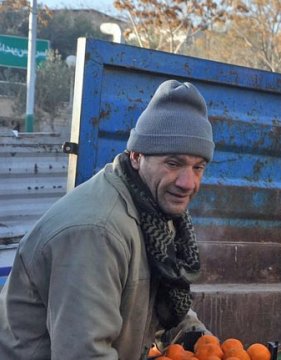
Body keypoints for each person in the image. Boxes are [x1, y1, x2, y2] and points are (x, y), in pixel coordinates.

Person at [0, 80, 214, 359]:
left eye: (198, 167)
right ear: (136, 156)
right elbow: (84, 353)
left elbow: (165, 296)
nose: (188, 182)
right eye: (173, 163)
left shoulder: (153, 212)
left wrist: (200, 341)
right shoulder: (96, 232)